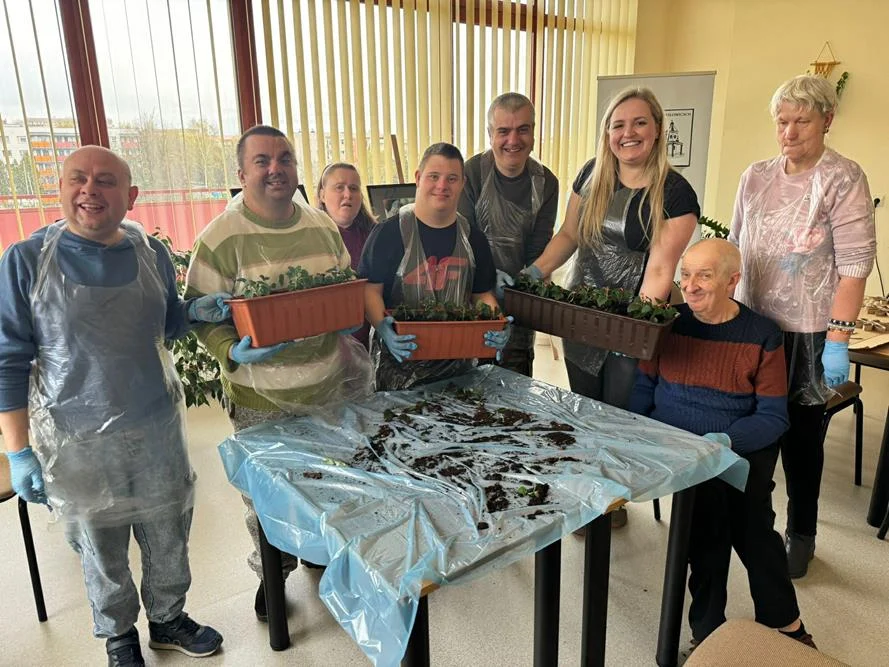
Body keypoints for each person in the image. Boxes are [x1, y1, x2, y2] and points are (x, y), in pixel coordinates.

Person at [0, 146, 227, 667]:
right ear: (59, 188)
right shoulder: (27, 261)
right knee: (101, 546)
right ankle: (118, 635)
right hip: (75, 439)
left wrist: (192, 310)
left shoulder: (149, 251)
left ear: (130, 195)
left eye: (105, 181)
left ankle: (168, 619)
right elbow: (7, 361)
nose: (89, 191)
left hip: (156, 426)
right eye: (77, 179)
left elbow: (164, 325)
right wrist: (19, 453)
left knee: (168, 528)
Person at [185, 125, 369, 621]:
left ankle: (314, 552)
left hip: (327, 385)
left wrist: (350, 314)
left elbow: (343, 287)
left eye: (285, 158)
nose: (275, 169)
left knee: (326, 481)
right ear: (242, 173)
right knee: (266, 498)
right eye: (262, 160)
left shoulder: (321, 226)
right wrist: (230, 349)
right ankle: (272, 572)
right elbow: (197, 313)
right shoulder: (220, 237)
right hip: (260, 398)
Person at [629, 238, 816, 651]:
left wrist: (725, 442)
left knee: (753, 531)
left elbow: (773, 417)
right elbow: (643, 389)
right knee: (706, 529)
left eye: (704, 276)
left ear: (733, 281)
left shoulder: (762, 334)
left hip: (736, 448)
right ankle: (709, 630)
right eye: (685, 275)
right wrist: (639, 434)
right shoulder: (666, 323)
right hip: (677, 448)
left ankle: (783, 622)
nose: (690, 286)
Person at [526, 87, 700, 527]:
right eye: (618, 125)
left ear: (657, 129)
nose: (628, 133)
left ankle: (612, 501)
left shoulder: (675, 194)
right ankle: (591, 497)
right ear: (607, 134)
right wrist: (537, 270)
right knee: (586, 408)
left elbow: (660, 271)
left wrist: (632, 329)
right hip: (582, 313)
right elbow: (569, 234)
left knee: (619, 414)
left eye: (639, 123)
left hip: (631, 319)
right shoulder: (591, 175)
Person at [729, 74, 876, 578]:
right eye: (782, 121)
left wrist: (838, 338)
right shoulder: (755, 176)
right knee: (752, 431)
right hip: (751, 324)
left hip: (810, 331)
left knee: (801, 439)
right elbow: (736, 244)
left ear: (827, 121)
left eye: (802, 121)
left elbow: (855, 264)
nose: (789, 132)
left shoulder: (843, 177)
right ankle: (754, 524)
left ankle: (802, 532)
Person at [359, 142, 511, 391]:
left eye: (452, 178)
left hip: (458, 369)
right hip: (398, 367)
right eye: (434, 176)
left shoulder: (473, 238)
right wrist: (382, 327)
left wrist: (495, 323)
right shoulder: (388, 233)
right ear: (418, 178)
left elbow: (481, 293)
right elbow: (370, 290)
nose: (442, 186)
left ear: (462, 183)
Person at [458, 92, 559, 376]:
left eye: (522, 129)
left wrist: (526, 282)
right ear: (490, 134)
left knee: (514, 380)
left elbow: (539, 247)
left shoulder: (546, 183)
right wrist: (487, 279)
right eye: (503, 131)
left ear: (534, 134)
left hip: (519, 298)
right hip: (471, 295)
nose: (513, 141)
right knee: (470, 386)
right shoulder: (472, 172)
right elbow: (464, 238)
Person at [317, 162, 376, 349]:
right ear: (322, 195)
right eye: (339, 187)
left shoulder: (376, 235)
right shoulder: (310, 237)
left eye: (354, 188)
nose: (348, 194)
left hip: (365, 345)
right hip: (323, 347)